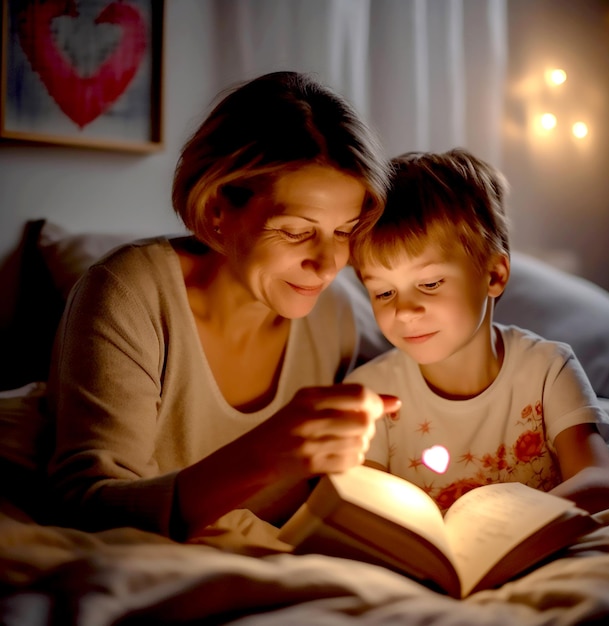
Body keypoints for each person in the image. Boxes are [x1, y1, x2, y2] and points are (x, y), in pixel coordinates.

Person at [45, 71, 400, 541]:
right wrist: (263, 455)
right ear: (216, 209)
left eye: (345, 232)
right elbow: (85, 507)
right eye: (296, 231)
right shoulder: (129, 293)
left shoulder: (332, 311)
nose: (328, 263)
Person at [345, 148, 609, 515]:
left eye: (429, 284)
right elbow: (357, 511)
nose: (404, 310)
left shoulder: (546, 370)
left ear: (494, 276)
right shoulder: (371, 397)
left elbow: (602, 483)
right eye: (384, 292)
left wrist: (508, 525)